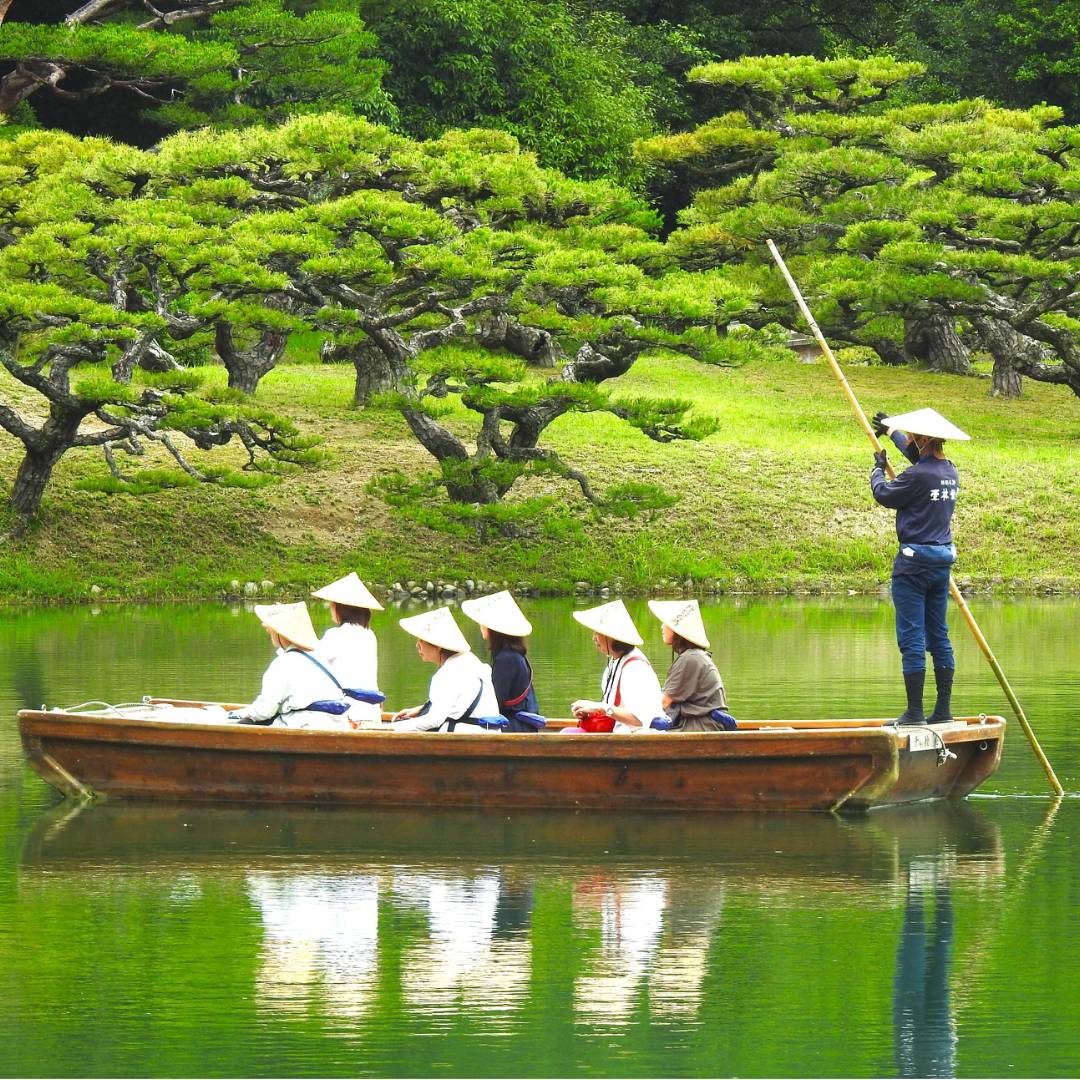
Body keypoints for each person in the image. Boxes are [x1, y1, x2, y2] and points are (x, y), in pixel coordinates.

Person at [870, 407, 971, 725]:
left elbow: (884, 494)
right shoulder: (948, 471)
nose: (910, 440)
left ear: (925, 439)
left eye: (913, 436)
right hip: (941, 562)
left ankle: (914, 712)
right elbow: (916, 458)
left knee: (911, 637)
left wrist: (878, 468)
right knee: (938, 634)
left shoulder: (918, 476)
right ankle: (943, 711)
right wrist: (890, 432)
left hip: (912, 567)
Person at [231, 602, 351, 729]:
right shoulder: (321, 656)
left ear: (280, 632)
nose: (268, 631)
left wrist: (240, 714)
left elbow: (265, 710)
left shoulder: (282, 663)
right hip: (338, 725)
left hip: (305, 725)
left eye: (271, 629)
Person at [392, 607, 502, 733]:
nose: (417, 645)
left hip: (467, 740)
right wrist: (421, 709)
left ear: (438, 645)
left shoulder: (448, 673)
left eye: (421, 640)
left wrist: (391, 728)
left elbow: (434, 720)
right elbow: (453, 703)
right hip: (487, 734)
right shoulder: (469, 660)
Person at [569, 600, 663, 731]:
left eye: (597, 633)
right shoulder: (615, 661)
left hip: (638, 742)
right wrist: (591, 710)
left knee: (569, 735)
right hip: (618, 736)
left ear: (611, 637)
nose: (594, 638)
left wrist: (600, 707)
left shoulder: (636, 669)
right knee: (569, 732)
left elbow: (639, 719)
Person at [460, 591, 540, 732]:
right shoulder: (512, 655)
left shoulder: (506, 658)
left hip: (514, 728)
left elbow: (494, 701)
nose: (480, 625)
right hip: (519, 725)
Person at [647, 599, 731, 731]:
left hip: (702, 726)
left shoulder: (690, 658)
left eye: (665, 623)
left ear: (677, 630)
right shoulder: (694, 656)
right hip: (700, 724)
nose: (661, 627)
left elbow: (663, 702)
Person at [312, 572, 383, 726]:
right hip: (372, 712)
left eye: (332, 606)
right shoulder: (369, 635)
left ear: (340, 609)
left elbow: (311, 662)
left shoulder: (336, 635)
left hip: (349, 715)